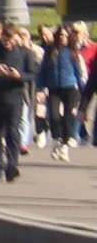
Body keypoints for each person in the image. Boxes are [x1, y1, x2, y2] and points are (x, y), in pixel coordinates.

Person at [0, 24, 34, 183]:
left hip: (15, 99)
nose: (7, 42)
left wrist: (19, 76)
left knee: (13, 133)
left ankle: (12, 165)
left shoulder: (25, 53)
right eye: (5, 38)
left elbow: (33, 74)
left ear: (16, 39)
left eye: (11, 38)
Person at [42, 23, 84, 161]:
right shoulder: (50, 51)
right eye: (60, 35)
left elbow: (78, 72)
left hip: (70, 88)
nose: (63, 38)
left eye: (66, 35)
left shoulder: (72, 51)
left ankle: (65, 147)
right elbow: (43, 71)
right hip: (54, 88)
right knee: (53, 116)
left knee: (67, 118)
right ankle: (56, 141)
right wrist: (39, 88)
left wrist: (83, 92)